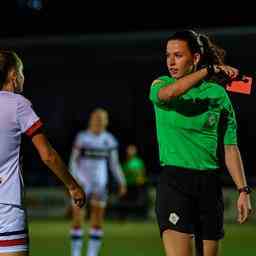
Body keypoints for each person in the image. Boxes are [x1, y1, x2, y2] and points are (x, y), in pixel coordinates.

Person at [149, 30, 252, 256]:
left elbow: (230, 147)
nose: (171, 62)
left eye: (178, 55)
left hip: (209, 185)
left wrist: (243, 190)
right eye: (168, 56)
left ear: (195, 58)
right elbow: (170, 94)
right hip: (175, 184)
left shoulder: (217, 94)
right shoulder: (161, 84)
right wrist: (210, 71)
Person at [0, 50, 86, 256]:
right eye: (21, 72)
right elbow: (47, 155)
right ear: (13, 75)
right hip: (6, 206)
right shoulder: (18, 104)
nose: (22, 77)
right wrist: (73, 186)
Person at [69, 108, 127, 256]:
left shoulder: (109, 139)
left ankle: (92, 254)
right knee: (77, 218)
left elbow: (114, 164)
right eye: (96, 118)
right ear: (91, 120)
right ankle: (75, 254)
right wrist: (73, 182)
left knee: (97, 220)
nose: (98, 121)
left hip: (100, 185)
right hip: (82, 184)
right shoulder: (82, 137)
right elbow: (73, 161)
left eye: (102, 119)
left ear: (106, 121)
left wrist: (122, 181)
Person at [119, 144, 148, 219]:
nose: (130, 152)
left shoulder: (138, 162)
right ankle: (125, 216)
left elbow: (142, 172)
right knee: (126, 202)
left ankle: (139, 216)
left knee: (138, 201)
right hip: (127, 185)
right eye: (129, 150)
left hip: (137, 185)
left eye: (132, 150)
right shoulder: (125, 162)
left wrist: (141, 180)